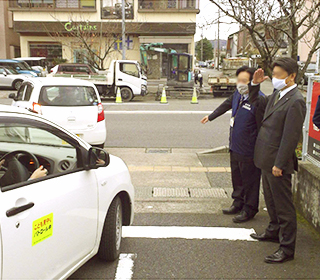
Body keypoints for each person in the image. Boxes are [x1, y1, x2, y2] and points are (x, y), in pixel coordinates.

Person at [249, 58, 306, 264]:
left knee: (284, 206)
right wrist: (254, 85)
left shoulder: (296, 101)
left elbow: (291, 137)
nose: (275, 78)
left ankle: (287, 248)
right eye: (274, 74)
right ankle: (273, 230)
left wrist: (279, 164)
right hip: (265, 157)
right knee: (271, 200)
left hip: (277, 162)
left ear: (291, 76)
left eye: (279, 75)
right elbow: (258, 103)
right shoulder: (278, 94)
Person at [201, 66, 265, 223]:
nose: (240, 83)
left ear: (253, 81)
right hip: (235, 145)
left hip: (249, 148)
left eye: (245, 81)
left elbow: (263, 126)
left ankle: (249, 209)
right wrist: (211, 116)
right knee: (237, 177)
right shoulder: (238, 94)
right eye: (239, 80)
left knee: (250, 180)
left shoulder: (259, 100)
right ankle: (238, 203)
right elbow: (226, 104)